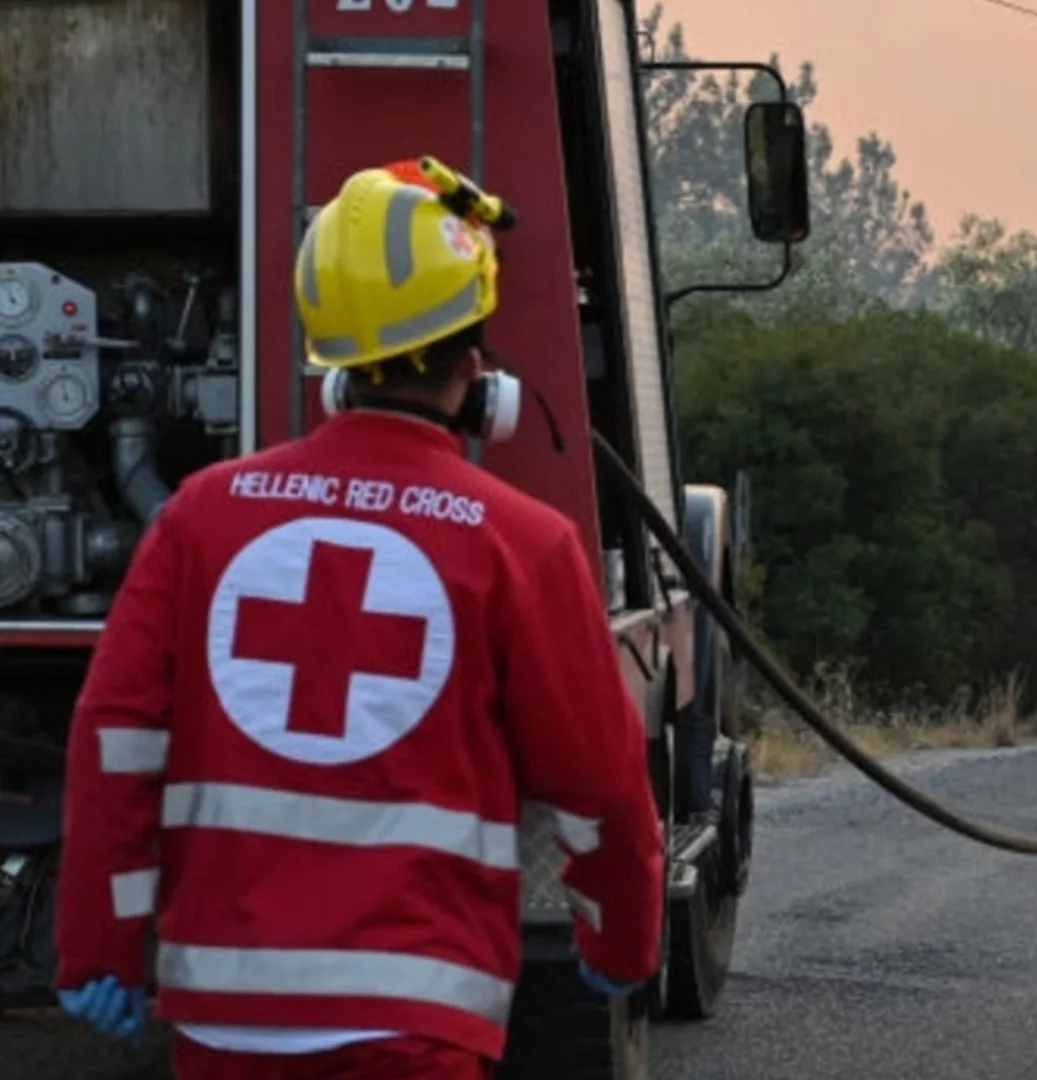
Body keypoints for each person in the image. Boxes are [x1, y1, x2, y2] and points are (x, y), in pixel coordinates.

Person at [51, 158, 666, 1079]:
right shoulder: (521, 543)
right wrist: (621, 940)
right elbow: (601, 785)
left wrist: (99, 943)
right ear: (475, 372)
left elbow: (118, 741)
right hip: (416, 1028)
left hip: (226, 1025)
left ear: (329, 369)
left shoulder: (199, 516)